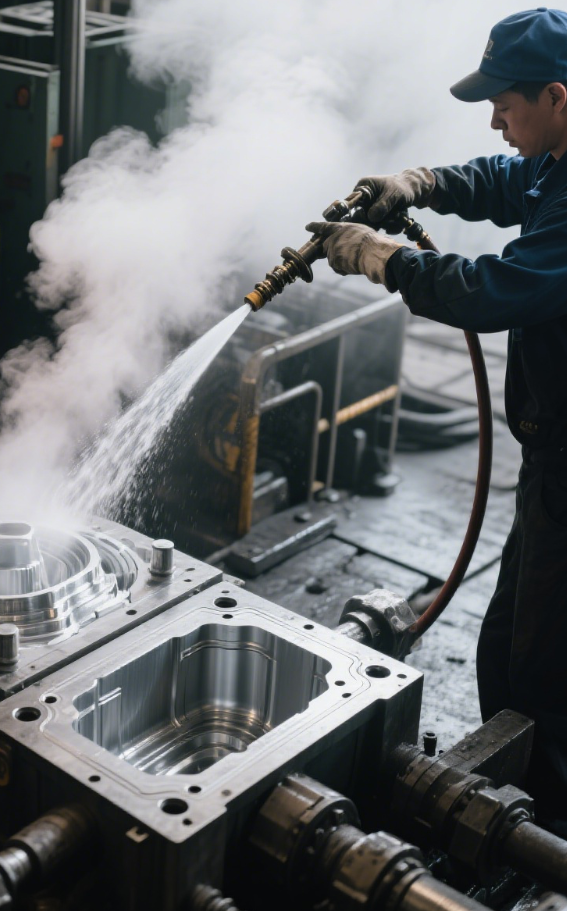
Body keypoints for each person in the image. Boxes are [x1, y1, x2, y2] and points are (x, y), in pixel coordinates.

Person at [306, 7, 567, 832]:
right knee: (510, 642)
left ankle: (536, 837)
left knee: (542, 668)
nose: (495, 117)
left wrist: (381, 257)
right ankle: (510, 802)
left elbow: (499, 289)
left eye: (506, 103)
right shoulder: (556, 155)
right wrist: (417, 184)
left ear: (557, 95)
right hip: (552, 452)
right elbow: (503, 179)